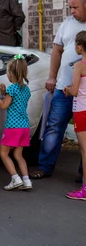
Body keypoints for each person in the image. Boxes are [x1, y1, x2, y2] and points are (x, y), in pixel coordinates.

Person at [30, 0, 86, 180]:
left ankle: (83, 172)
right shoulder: (66, 25)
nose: (71, 11)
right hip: (63, 87)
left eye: (75, 7)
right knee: (54, 126)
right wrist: (52, 77)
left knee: (85, 133)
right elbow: (57, 51)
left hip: (84, 92)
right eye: (70, 7)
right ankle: (45, 167)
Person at [0, 54, 33, 191]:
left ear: (11, 74)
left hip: (13, 127)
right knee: (18, 155)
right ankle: (27, 180)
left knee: (3, 153)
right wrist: (4, 92)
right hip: (24, 126)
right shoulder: (26, 89)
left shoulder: (12, 89)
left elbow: (4, 105)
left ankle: (15, 178)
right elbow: (15, 102)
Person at [63, 30, 86, 200]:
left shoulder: (79, 65)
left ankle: (85, 189)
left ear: (79, 47)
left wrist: (67, 90)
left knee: (84, 150)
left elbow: (74, 90)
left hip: (81, 110)